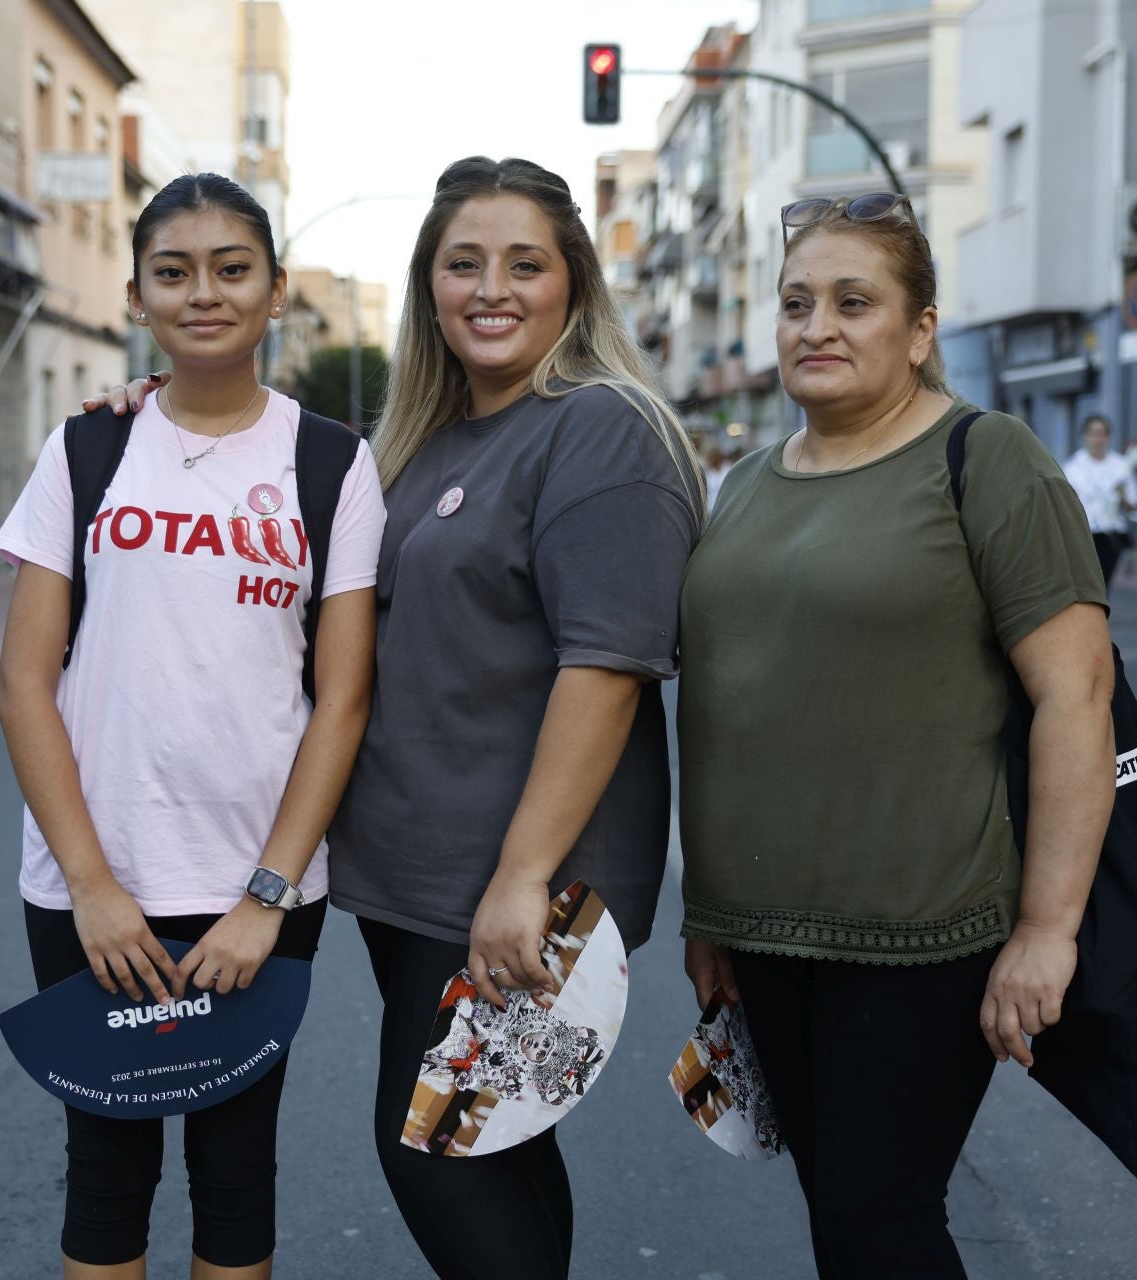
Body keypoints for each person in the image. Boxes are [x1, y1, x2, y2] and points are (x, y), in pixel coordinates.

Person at [87, 156, 702, 1280]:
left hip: (514, 884)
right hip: (416, 878)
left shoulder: (600, 427)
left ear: (576, 280)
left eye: (526, 263)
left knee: (432, 1150)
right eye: (462, 263)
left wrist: (523, 877)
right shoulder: (427, 439)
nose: (491, 287)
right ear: (428, 285)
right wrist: (154, 419)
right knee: (495, 1146)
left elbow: (606, 667)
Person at [678, 192, 1115, 1279]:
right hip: (765, 933)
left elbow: (1079, 697)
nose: (815, 324)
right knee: (843, 1214)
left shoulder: (987, 458)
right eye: (795, 302)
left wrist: (1048, 929)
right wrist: (710, 913)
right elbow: (736, 697)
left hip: (924, 934)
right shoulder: (746, 486)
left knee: (882, 1221)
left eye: (853, 300)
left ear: (920, 330)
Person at [0, 173, 387, 1280]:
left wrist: (266, 895)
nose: (203, 293)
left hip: (255, 890)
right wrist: (92, 884)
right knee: (106, 1170)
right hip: (89, 880)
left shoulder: (332, 464)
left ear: (273, 299)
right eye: (174, 272)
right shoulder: (85, 450)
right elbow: (26, 683)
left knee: (236, 1169)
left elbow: (341, 698)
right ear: (136, 296)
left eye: (232, 269)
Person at [1062, 413, 1137, 588]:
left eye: (1101, 434)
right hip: (1082, 534)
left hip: (1110, 535)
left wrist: (1122, 495)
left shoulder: (1121, 466)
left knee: (1103, 584)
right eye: (1093, 434)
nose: (1097, 439)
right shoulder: (1073, 466)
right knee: (1083, 584)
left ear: (1108, 437)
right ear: (1085, 436)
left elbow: (1132, 507)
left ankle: (1099, 615)